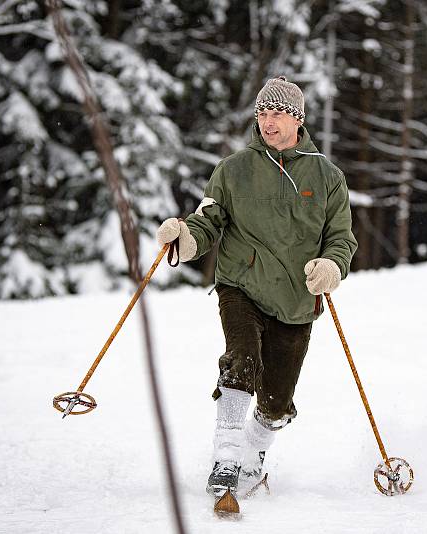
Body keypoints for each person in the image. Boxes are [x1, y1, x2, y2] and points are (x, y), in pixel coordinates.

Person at [156, 76, 357, 498]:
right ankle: (227, 456)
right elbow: (208, 221)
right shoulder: (233, 170)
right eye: (263, 112)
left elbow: (341, 237)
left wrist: (332, 266)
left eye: (278, 112)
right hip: (240, 285)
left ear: (298, 120)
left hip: (297, 298)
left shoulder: (327, 176)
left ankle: (253, 454)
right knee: (240, 359)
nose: (268, 120)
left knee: (276, 401)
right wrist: (186, 237)